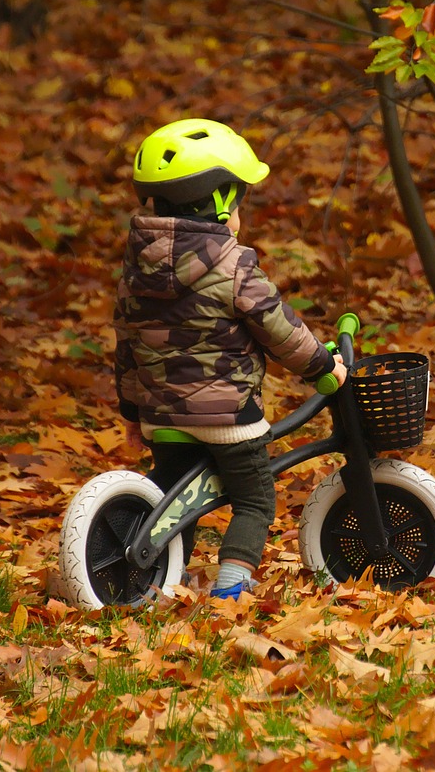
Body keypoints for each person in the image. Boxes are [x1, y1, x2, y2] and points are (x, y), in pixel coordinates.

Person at [113, 118, 347, 599]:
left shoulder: (137, 270)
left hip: (163, 416)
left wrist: (133, 411)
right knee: (255, 501)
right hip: (228, 418)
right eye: (239, 199)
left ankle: (157, 581)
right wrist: (322, 368)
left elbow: (127, 346)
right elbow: (278, 328)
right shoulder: (234, 265)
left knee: (174, 504)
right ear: (220, 202)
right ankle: (232, 586)